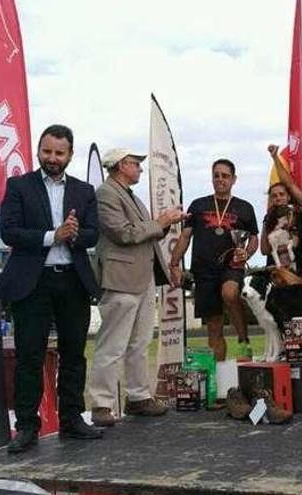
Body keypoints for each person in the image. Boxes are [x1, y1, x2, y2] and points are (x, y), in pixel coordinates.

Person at [0, 124, 102, 453]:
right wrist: (50, 236)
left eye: (59, 153)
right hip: (33, 281)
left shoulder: (84, 192)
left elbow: (93, 234)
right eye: (47, 151)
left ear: (70, 154)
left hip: (73, 280)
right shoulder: (19, 186)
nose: (52, 158)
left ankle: (72, 419)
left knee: (74, 354)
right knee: (30, 356)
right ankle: (27, 426)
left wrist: (72, 234)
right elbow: (9, 231)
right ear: (39, 151)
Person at [87, 148, 187, 427]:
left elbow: (145, 232)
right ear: (121, 165)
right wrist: (161, 223)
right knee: (113, 344)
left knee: (140, 343)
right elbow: (124, 233)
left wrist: (165, 223)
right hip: (121, 278)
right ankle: (102, 403)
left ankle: (138, 395)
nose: (140, 169)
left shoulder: (129, 195)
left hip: (142, 277)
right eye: (135, 164)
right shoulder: (106, 194)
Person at [170, 159, 258, 363]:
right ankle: (218, 373)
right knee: (214, 325)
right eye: (216, 175)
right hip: (204, 270)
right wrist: (174, 263)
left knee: (229, 293)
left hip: (231, 266)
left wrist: (247, 253)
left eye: (225, 176)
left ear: (234, 179)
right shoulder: (199, 205)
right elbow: (185, 236)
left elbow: (254, 238)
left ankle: (243, 339)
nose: (220, 179)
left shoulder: (244, 207)